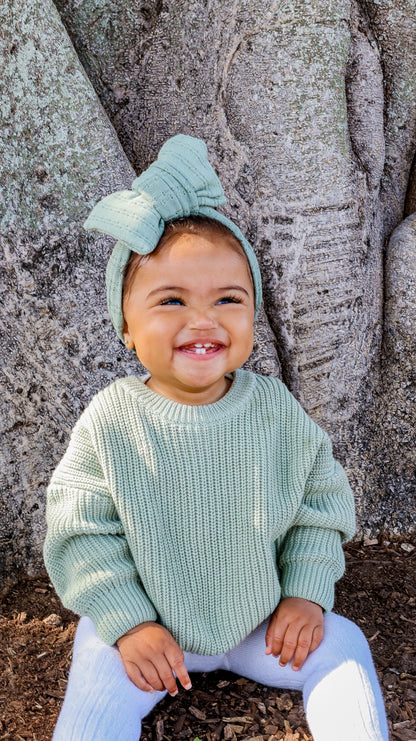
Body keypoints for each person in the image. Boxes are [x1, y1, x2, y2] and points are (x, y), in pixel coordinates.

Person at [43, 134, 389, 741]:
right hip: (151, 636)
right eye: (171, 301)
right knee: (96, 662)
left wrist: (305, 596)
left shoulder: (273, 410)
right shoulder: (111, 420)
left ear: (252, 314)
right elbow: (81, 532)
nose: (202, 320)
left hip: (263, 624)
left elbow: (320, 506)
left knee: (343, 644)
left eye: (228, 299)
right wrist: (129, 623)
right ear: (127, 327)